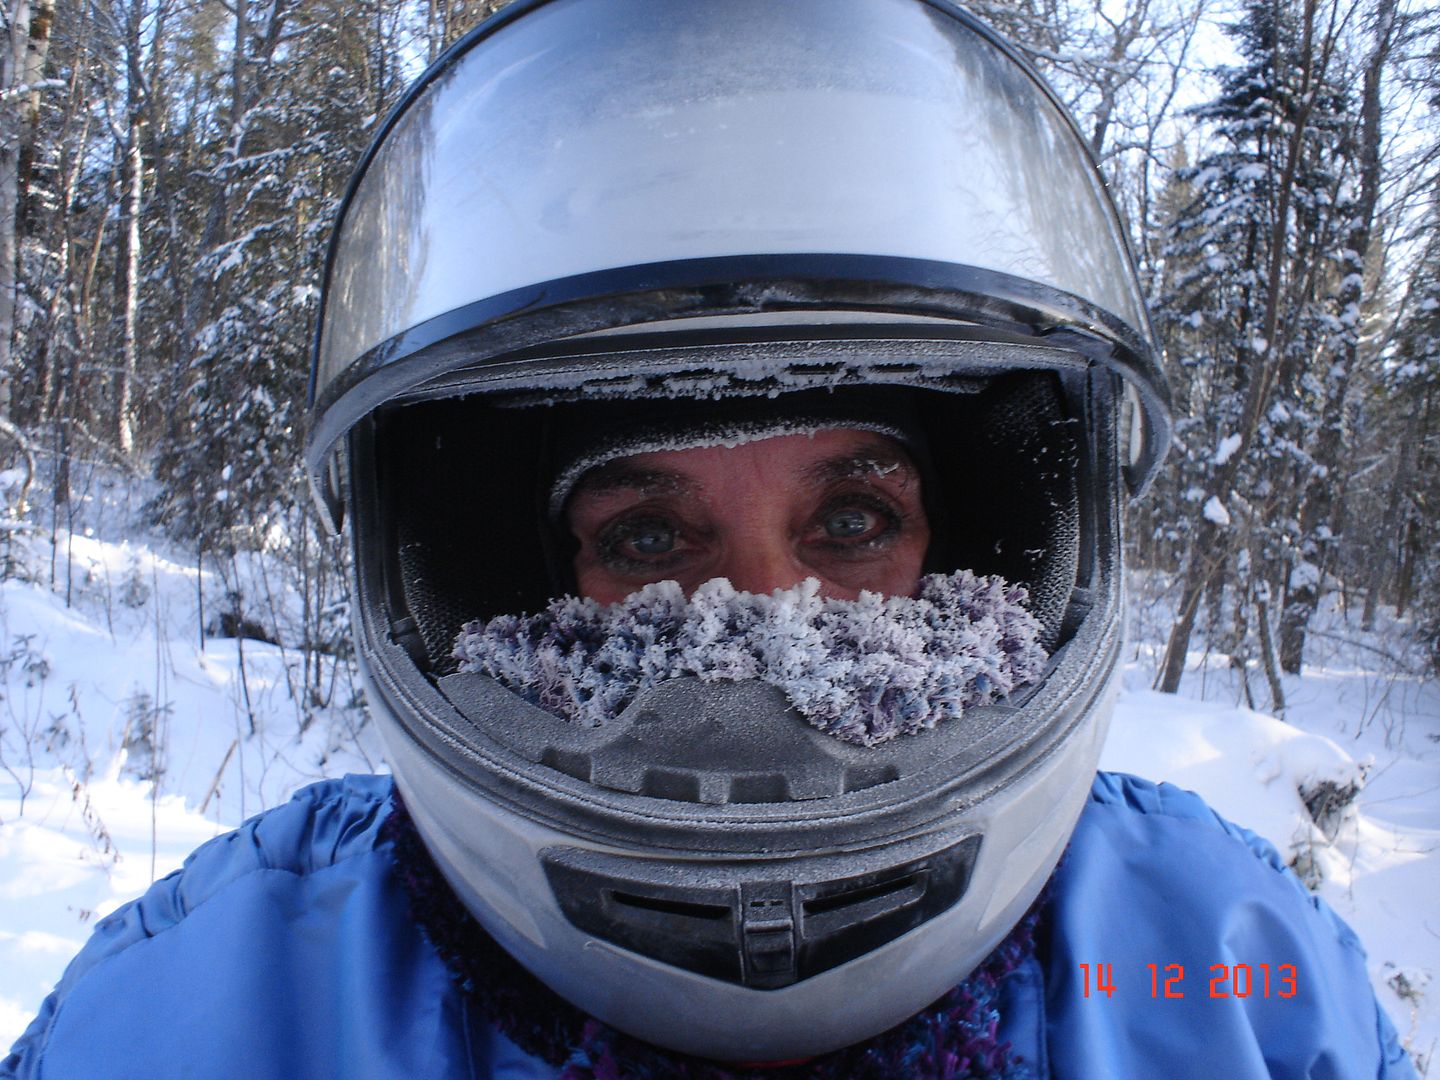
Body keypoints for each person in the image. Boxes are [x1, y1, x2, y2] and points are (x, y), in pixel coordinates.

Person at [3, 1, 1416, 1077]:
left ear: (995, 542)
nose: (753, 635)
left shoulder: (1236, 983)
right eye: (647, 538)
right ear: (517, 577)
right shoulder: (202, 1020)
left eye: (852, 522)